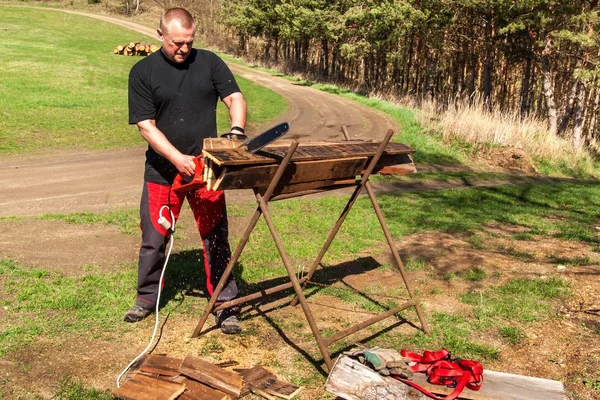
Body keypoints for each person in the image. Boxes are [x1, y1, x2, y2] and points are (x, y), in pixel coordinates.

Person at [125, 7, 246, 334]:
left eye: (189, 42)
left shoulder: (209, 62)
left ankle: (225, 303)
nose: (183, 48)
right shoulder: (142, 72)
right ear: (160, 35)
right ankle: (146, 299)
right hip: (163, 172)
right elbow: (146, 126)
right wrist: (178, 158)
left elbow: (234, 97)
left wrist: (235, 131)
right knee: (154, 238)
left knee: (215, 236)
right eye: (176, 42)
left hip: (207, 170)